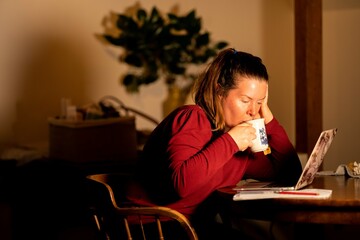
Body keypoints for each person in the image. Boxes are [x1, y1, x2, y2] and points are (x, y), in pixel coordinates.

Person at [125, 48, 302, 239]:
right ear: (219, 91)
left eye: (259, 102)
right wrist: (231, 141)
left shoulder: (240, 143)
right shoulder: (192, 118)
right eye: (245, 100)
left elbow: (291, 174)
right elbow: (182, 185)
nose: (253, 111)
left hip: (192, 227)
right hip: (152, 228)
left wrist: (268, 117)